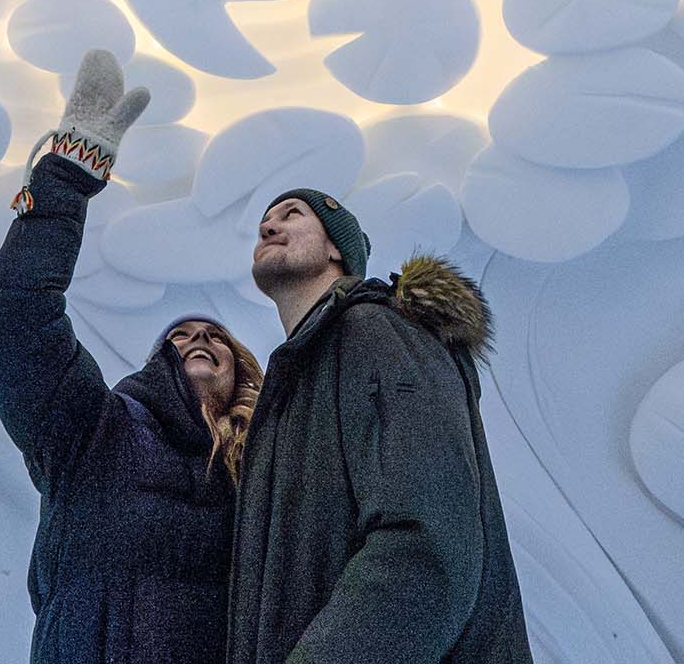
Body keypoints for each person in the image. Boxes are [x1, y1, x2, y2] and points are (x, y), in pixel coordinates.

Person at [0, 49, 264, 664]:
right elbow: (17, 319)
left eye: (215, 337)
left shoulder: (269, 464)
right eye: (181, 337)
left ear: (242, 367)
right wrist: (64, 180)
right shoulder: (97, 429)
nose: (199, 341)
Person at [225, 188, 533, 663]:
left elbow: (425, 547)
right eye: (264, 221)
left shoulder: (374, 329)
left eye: (292, 214)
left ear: (337, 249)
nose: (268, 226)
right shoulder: (291, 387)